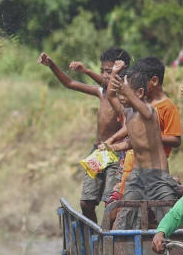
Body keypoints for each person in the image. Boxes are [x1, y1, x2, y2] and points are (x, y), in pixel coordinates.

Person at [38, 47, 131, 223]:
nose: (104, 75)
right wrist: (51, 65)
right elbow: (70, 84)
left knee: (110, 203)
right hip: (99, 152)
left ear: (120, 72)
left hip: (116, 151)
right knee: (86, 202)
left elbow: (128, 125)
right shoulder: (102, 92)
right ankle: (94, 238)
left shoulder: (124, 97)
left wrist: (87, 71)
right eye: (102, 70)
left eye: (109, 72)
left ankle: (107, 240)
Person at [104, 61, 179, 229]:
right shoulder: (128, 112)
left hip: (157, 175)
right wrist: (115, 72)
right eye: (121, 93)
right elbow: (110, 96)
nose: (122, 97)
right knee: (125, 215)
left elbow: (145, 111)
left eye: (125, 93)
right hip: (136, 175)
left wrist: (125, 91)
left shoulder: (150, 111)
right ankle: (119, 247)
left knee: (168, 219)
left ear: (139, 93)